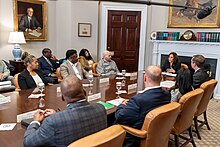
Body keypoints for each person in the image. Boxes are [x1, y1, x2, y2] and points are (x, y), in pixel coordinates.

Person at [23, 75, 107, 146]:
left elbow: (28, 143)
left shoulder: (52, 122)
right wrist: (58, 115)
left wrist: (35, 122)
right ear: (84, 92)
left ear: (62, 98)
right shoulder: (101, 108)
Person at [115, 65, 171, 147]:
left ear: (145, 78)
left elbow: (120, 117)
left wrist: (121, 105)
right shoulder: (167, 94)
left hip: (136, 139)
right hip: (157, 133)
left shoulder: (138, 100)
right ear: (161, 78)